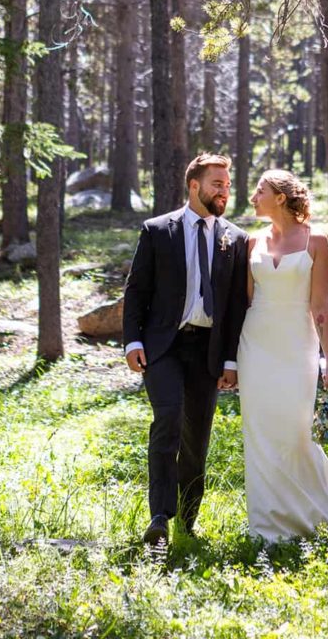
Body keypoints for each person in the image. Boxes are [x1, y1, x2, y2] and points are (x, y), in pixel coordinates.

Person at [237, 169, 328, 542]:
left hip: (296, 346)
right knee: (259, 433)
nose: (253, 197)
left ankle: (317, 514)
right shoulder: (251, 243)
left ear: (280, 197)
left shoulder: (316, 240)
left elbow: (320, 307)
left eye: (260, 191)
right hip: (255, 346)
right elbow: (246, 302)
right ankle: (266, 526)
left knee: (296, 434)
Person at [123, 153, 249, 545]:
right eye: (217, 184)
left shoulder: (235, 238)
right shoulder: (158, 230)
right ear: (194, 186)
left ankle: (188, 518)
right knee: (169, 419)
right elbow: (136, 290)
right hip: (164, 346)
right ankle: (159, 515)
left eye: (227, 185)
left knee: (198, 436)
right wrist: (132, 340)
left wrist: (231, 359)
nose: (224, 191)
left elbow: (234, 309)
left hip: (207, 352)